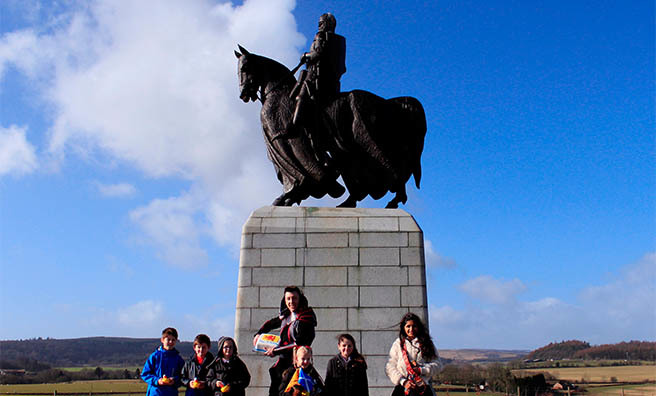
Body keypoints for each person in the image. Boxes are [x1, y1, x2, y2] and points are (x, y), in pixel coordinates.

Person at [253, 286, 317, 396]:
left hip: (298, 363)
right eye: (288, 299)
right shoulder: (286, 315)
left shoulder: (307, 316)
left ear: (300, 299)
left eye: (294, 298)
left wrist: (275, 351)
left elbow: (299, 343)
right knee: (276, 391)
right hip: (282, 364)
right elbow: (272, 323)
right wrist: (258, 334)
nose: (291, 302)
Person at [385, 313, 441, 396]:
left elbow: (438, 365)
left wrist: (422, 370)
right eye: (408, 326)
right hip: (402, 389)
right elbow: (390, 366)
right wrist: (403, 381)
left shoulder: (427, 343)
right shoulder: (398, 344)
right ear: (403, 328)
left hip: (422, 388)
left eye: (414, 326)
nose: (411, 329)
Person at [141, 327, 186, 396]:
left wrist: (174, 380)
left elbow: (183, 377)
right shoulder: (154, 356)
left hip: (171, 393)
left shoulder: (178, 359)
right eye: (168, 339)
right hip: (155, 393)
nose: (170, 342)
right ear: (162, 340)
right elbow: (145, 374)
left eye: (173, 340)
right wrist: (157, 381)